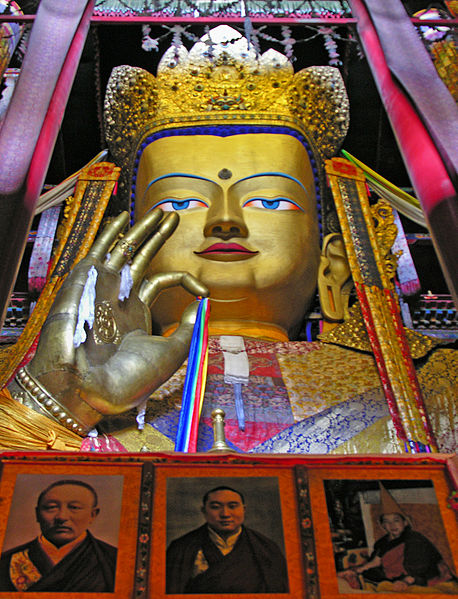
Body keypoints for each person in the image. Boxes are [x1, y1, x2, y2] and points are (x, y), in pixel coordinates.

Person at [2, 25, 456, 454]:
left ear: (332, 260)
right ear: (123, 250)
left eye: (269, 202)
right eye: (180, 204)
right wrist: (57, 404)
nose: (225, 221)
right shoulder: (31, 383)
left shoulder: (430, 382)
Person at [166, 486, 288, 593]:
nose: (225, 514)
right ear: (204, 511)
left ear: (243, 510)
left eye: (232, 506)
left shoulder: (266, 548)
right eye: (215, 507)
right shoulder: (181, 548)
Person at [0, 480, 117, 592]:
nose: (62, 517)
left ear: (93, 515)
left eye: (74, 507)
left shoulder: (113, 559)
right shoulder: (6, 561)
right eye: (51, 507)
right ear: (37, 514)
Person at [344, 484, 458, 594]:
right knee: (367, 579)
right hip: (394, 578)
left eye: (396, 520)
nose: (392, 525)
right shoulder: (383, 542)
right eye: (387, 522)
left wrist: (405, 581)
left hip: (421, 580)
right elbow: (375, 562)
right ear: (383, 526)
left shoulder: (415, 539)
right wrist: (356, 570)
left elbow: (421, 569)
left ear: (405, 522)